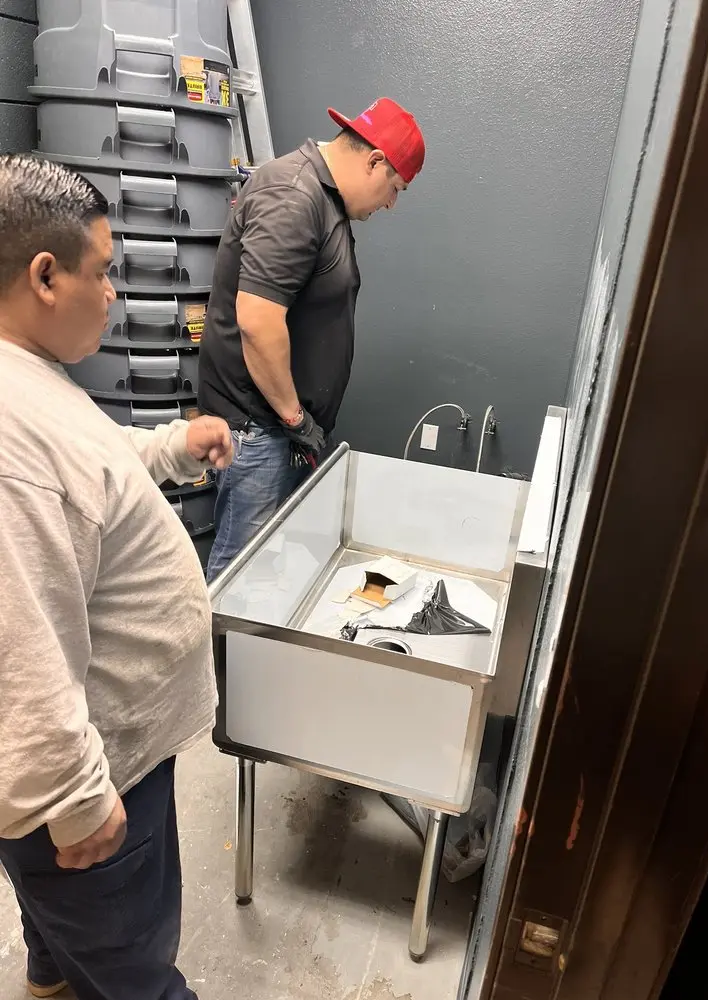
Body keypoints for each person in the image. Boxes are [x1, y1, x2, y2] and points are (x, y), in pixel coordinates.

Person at [0, 155, 233, 1000]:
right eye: (102, 274)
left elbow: (87, 470)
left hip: (107, 746)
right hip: (92, 769)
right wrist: (75, 796)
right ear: (45, 274)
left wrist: (170, 445)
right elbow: (17, 643)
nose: (114, 297)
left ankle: (51, 975)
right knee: (132, 963)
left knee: (62, 918)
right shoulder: (7, 447)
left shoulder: (26, 377)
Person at [198, 97, 426, 580]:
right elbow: (257, 322)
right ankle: (217, 658)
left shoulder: (327, 202)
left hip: (284, 428)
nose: (391, 203)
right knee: (242, 577)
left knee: (269, 569)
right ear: (374, 160)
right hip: (261, 429)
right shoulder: (293, 196)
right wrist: (294, 416)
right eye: (395, 188)